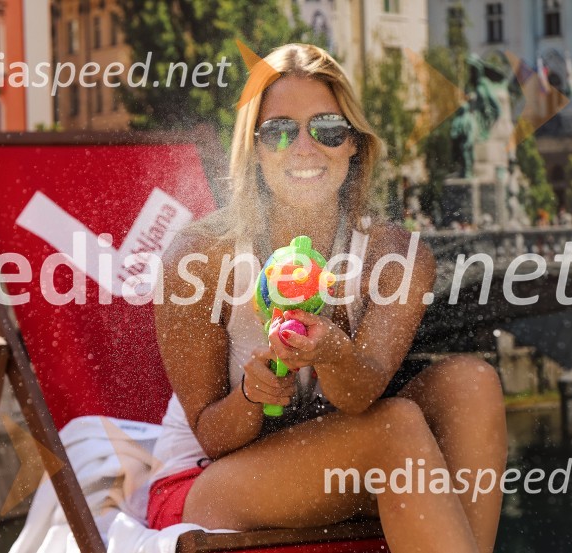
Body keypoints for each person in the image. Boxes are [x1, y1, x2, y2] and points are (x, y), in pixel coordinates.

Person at [147, 43, 507, 553]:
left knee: (472, 383)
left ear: (354, 143)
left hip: (341, 460)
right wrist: (254, 393)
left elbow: (360, 394)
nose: (304, 147)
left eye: (328, 129)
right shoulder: (201, 258)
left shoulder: (396, 256)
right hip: (212, 480)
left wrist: (332, 350)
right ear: (253, 147)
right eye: (278, 131)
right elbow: (210, 434)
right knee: (395, 427)